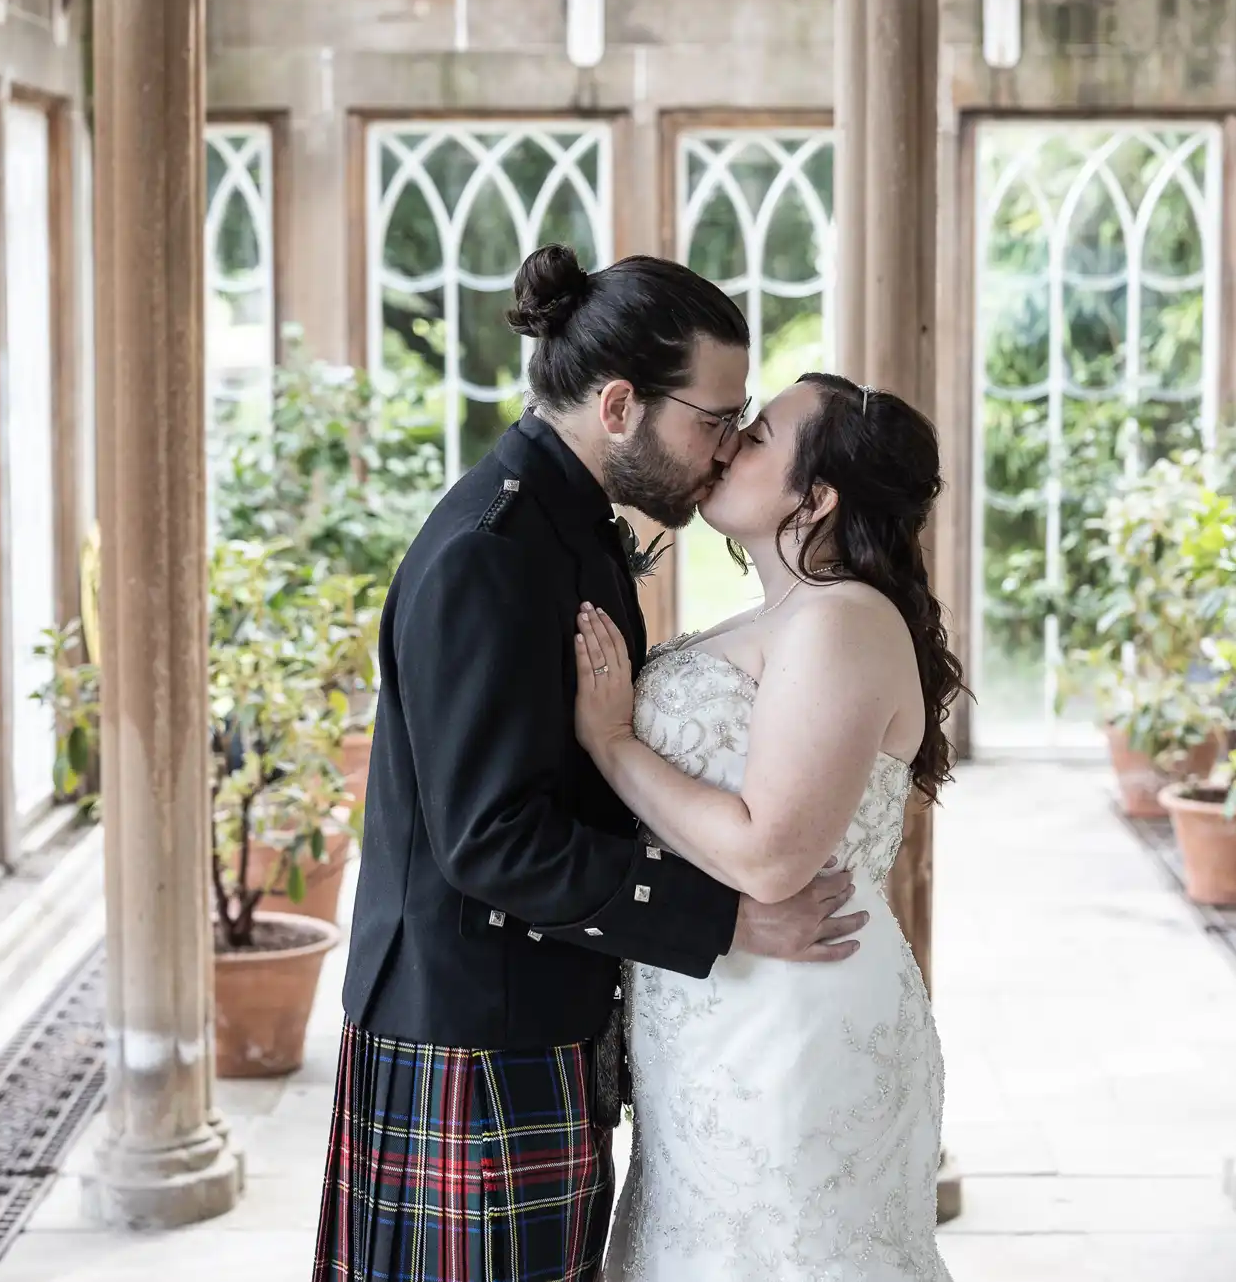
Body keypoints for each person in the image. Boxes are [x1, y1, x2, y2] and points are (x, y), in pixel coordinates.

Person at [312, 248, 868, 1282]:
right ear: (619, 404)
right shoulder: (492, 547)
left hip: (531, 1010)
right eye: (713, 418)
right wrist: (729, 918)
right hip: (473, 1029)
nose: (723, 448)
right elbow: (491, 836)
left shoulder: (566, 520)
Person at [571, 372, 964, 1282]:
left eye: (757, 436)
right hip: (721, 1009)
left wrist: (613, 739)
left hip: (791, 1018)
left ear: (816, 495)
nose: (728, 443)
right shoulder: (785, 616)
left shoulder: (842, 621)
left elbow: (771, 853)